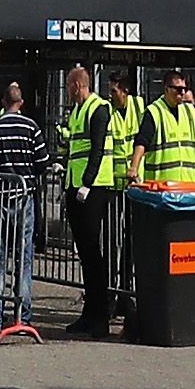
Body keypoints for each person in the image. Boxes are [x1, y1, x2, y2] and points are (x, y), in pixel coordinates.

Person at [59, 65, 127, 337]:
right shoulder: (77, 111)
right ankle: (89, 314)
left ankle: (100, 317)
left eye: (68, 86)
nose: (66, 91)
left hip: (94, 188)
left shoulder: (98, 108)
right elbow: (77, 148)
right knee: (86, 254)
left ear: (76, 85)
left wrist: (86, 183)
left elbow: (97, 149)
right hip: (75, 186)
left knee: (93, 254)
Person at [0, 83, 48, 335]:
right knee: (23, 260)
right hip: (24, 196)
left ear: (4, 102)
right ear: (22, 102)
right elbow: (42, 163)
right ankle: (22, 318)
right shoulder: (32, 127)